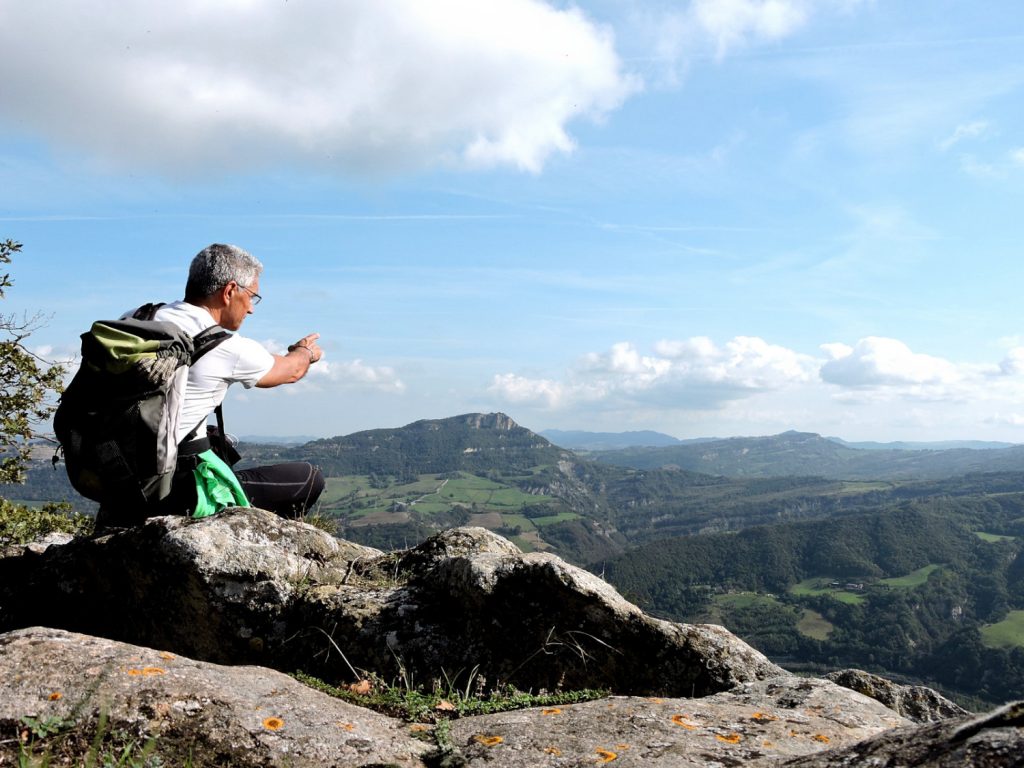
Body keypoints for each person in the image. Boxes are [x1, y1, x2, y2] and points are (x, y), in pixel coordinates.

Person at [94, 243, 326, 527]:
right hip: (175, 491)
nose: (251, 308)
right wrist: (305, 352)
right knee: (308, 478)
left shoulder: (137, 318)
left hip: (116, 477)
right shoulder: (225, 346)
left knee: (215, 441)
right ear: (229, 291)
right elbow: (290, 371)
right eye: (252, 296)